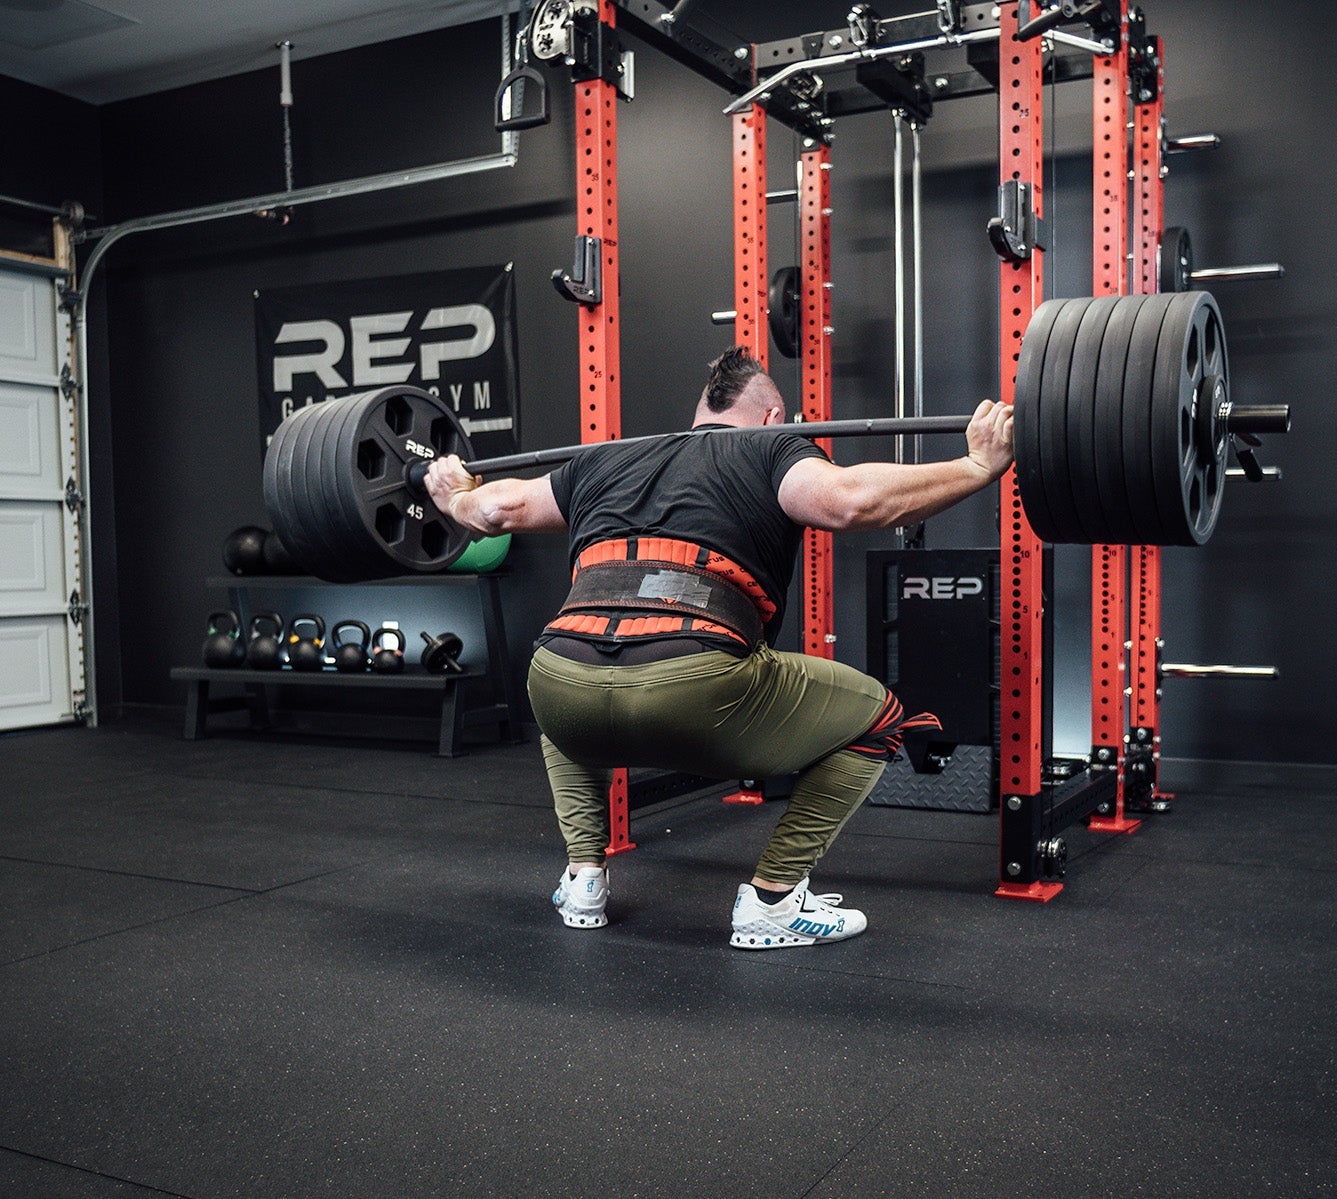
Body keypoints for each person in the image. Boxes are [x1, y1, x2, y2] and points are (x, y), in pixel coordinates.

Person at [424, 347, 1013, 949]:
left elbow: (494, 508)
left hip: (555, 677)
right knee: (879, 716)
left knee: (573, 692)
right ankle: (774, 901)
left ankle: (584, 879)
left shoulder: (607, 459)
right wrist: (974, 465)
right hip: (691, 686)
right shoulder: (771, 448)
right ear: (772, 415)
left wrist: (453, 494)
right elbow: (848, 501)